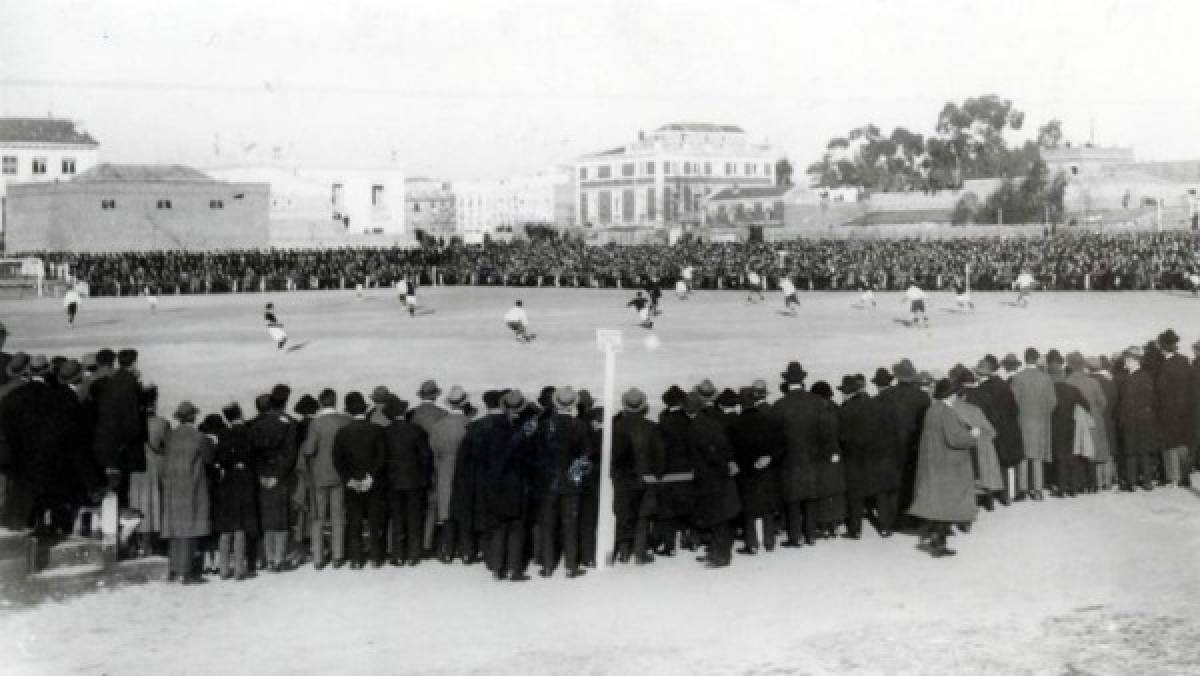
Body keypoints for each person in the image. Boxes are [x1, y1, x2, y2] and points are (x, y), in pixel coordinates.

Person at [907, 379, 981, 558]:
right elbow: (955, 439)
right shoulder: (947, 412)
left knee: (938, 502)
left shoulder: (931, 410)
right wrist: (972, 435)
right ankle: (939, 542)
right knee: (949, 502)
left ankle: (936, 537)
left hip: (933, 462)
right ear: (951, 395)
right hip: (949, 464)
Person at [769, 362, 836, 547]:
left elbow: (774, 437)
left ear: (786, 381)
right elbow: (827, 433)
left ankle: (795, 537)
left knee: (793, 500)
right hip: (813, 459)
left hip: (790, 461)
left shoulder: (780, 405)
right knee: (811, 497)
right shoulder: (818, 402)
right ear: (803, 380)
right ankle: (811, 535)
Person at [533, 387, 592, 578]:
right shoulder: (580, 426)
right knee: (570, 525)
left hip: (548, 482)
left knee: (548, 524)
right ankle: (571, 566)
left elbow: (538, 456)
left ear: (555, 403)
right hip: (570, 484)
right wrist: (574, 477)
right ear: (573, 404)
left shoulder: (545, 425)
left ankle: (548, 566)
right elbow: (585, 457)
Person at [161, 401, 216, 583]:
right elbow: (209, 458)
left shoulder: (170, 436)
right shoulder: (199, 437)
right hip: (192, 485)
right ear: (193, 417)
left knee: (175, 529)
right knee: (190, 529)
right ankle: (186, 572)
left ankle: (174, 569)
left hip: (172, 486)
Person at [684, 392, 740, 568]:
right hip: (719, 476)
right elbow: (723, 445)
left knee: (716, 519)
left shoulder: (694, 427)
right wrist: (729, 463)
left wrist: (723, 465)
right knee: (719, 517)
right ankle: (716, 552)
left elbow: (710, 453)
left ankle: (720, 557)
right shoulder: (711, 422)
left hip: (709, 477)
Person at [333, 391, 388, 569]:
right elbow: (382, 457)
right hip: (373, 482)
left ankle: (356, 560)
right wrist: (370, 477)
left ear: (348, 411)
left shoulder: (342, 432)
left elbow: (337, 459)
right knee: (374, 519)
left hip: (352, 484)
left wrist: (349, 479)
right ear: (365, 409)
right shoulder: (377, 430)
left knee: (354, 520)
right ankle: (376, 558)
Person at [298, 388, 351, 570]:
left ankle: (318, 558)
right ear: (335, 401)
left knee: (318, 517)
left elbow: (310, 450)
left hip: (319, 475)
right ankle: (338, 556)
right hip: (340, 474)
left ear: (320, 402)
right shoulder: (346, 420)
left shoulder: (316, 423)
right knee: (338, 516)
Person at [610, 387, 664, 564]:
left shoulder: (616, 427)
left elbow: (614, 455)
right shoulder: (651, 427)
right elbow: (660, 454)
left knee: (624, 514)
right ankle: (640, 553)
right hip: (645, 478)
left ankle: (624, 552)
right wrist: (657, 473)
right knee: (643, 515)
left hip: (623, 479)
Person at [250, 385, 298, 572]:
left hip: (263, 475)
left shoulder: (256, 424)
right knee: (282, 519)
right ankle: (279, 558)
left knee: (267, 518)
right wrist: (278, 475)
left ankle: (269, 558)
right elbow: (290, 454)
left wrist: (261, 474)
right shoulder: (289, 423)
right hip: (281, 475)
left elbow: (253, 453)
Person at [729, 386, 781, 553]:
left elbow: (730, 450)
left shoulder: (734, 424)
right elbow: (781, 445)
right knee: (767, 506)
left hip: (745, 472)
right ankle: (769, 542)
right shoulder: (768, 420)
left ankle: (751, 543)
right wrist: (770, 457)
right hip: (766, 470)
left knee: (749, 508)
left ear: (740, 404)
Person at [382, 396, 431, 566]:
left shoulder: (385, 432)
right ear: (404, 412)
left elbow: (382, 459)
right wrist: (424, 477)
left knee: (397, 518)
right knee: (414, 517)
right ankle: (413, 554)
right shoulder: (417, 430)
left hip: (392, 481)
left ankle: (397, 555)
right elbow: (426, 457)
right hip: (414, 481)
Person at [212, 402, 258, 580]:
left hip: (227, 481)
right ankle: (240, 569)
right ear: (240, 413)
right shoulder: (249, 432)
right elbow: (254, 455)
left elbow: (219, 457)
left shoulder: (223, 434)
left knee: (226, 526)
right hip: (245, 479)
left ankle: (224, 569)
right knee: (240, 525)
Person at [428, 386, 471, 562]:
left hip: (444, 469)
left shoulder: (438, 426)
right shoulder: (469, 424)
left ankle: (447, 551)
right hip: (465, 471)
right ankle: (467, 551)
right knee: (465, 510)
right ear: (464, 403)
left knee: (446, 511)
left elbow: (433, 451)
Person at [1010, 347, 1057, 501]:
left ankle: (1022, 490)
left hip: (1022, 421)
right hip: (1040, 421)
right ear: (1037, 359)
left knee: (1023, 455)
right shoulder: (1046, 378)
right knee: (1037, 456)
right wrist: (1043, 413)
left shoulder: (1018, 378)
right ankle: (1037, 490)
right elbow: (1052, 402)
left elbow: (1013, 402)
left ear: (1024, 359)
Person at [128, 385, 168, 557]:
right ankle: (153, 544)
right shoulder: (161, 423)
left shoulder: (131, 422)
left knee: (136, 504)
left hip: (136, 468)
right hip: (155, 467)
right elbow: (166, 447)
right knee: (155, 504)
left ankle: (137, 544)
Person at [1155, 329, 1191, 487]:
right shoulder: (1184, 360)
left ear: (1163, 346)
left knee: (1169, 444)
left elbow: (1161, 388)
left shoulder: (1165, 364)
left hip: (1168, 409)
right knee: (1183, 443)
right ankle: (1185, 477)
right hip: (1185, 409)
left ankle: (1173, 478)